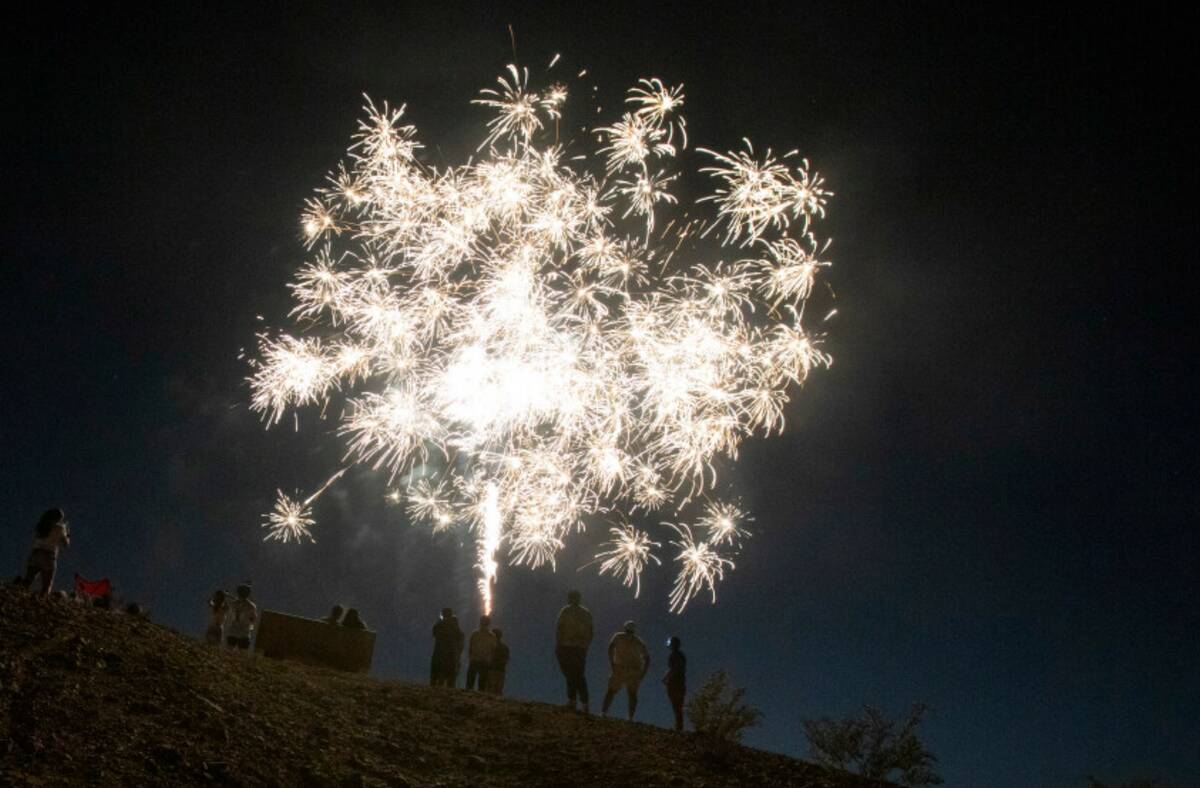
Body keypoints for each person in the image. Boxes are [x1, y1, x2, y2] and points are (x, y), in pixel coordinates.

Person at [602, 621, 650, 721]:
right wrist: (643, 673)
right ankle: (630, 717)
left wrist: (612, 662)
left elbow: (610, 647)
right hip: (634, 670)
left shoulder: (618, 636)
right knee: (632, 694)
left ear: (625, 628)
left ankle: (603, 712)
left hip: (619, 668)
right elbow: (647, 658)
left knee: (611, 691)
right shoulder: (638, 641)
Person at [555, 589, 594, 712]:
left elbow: (559, 628)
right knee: (578, 674)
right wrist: (586, 645)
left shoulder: (566, 610)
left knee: (571, 674)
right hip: (580, 648)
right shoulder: (586, 613)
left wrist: (558, 644)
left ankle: (574, 701)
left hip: (567, 646)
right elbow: (591, 631)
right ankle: (583, 703)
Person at [20, 508, 70, 595]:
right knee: (46, 586)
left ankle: (18, 598)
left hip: (36, 554)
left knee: (27, 580)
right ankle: (41, 603)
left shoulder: (42, 525)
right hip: (49, 556)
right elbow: (66, 544)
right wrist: (67, 533)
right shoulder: (60, 528)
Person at [430, 607, 464, 687]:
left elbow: (434, 633)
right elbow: (459, 639)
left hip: (439, 653)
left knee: (437, 673)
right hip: (451, 654)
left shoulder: (439, 625)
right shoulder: (455, 627)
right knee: (451, 676)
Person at [466, 615, 497, 690]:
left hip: (480, 660)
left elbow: (471, 646)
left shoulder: (476, 634)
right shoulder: (491, 636)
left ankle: (471, 692)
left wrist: (471, 656)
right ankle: (476, 693)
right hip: (481, 660)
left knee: (476, 679)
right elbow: (493, 649)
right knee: (477, 679)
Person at [663, 636, 687, 731]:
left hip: (675, 682)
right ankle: (679, 727)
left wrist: (666, 678)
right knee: (678, 706)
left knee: (676, 705)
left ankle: (679, 728)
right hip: (680, 681)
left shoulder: (675, 655)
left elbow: (674, 668)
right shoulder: (681, 655)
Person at [226, 583, 258, 651]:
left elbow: (229, 617)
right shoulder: (251, 606)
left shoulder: (233, 604)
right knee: (237, 655)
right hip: (240, 633)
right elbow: (253, 620)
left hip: (238, 632)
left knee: (231, 653)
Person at [487, 629, 510, 695]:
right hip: (499, 670)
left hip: (494, 670)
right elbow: (506, 659)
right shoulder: (504, 647)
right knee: (497, 689)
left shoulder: (492, 646)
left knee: (491, 689)